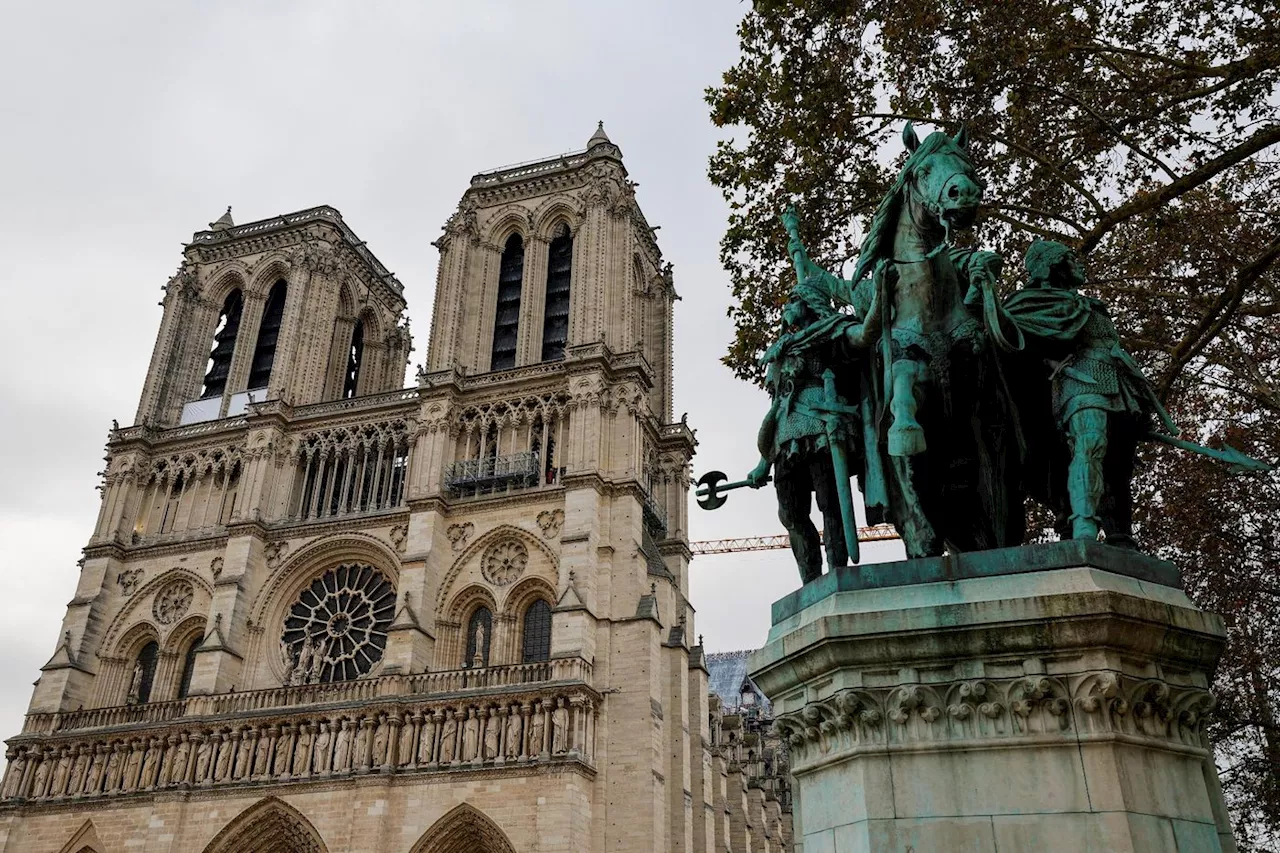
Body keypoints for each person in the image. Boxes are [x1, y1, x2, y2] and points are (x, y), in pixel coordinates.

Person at [1005, 240, 1178, 544]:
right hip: (1079, 380)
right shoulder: (1031, 303)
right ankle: (1084, 524)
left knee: (1119, 462)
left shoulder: (1093, 306)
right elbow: (1010, 336)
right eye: (1071, 259)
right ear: (1053, 267)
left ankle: (1119, 534)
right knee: (1090, 444)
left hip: (1119, 385)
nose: (1079, 264)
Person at [746, 223, 885, 582]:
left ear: (808, 306)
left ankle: (836, 570)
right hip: (785, 436)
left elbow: (865, 336)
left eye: (794, 301)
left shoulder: (830, 332)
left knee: (831, 506)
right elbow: (779, 404)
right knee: (791, 514)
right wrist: (763, 464)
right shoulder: (778, 353)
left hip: (823, 430)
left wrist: (881, 300)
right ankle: (810, 579)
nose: (786, 307)